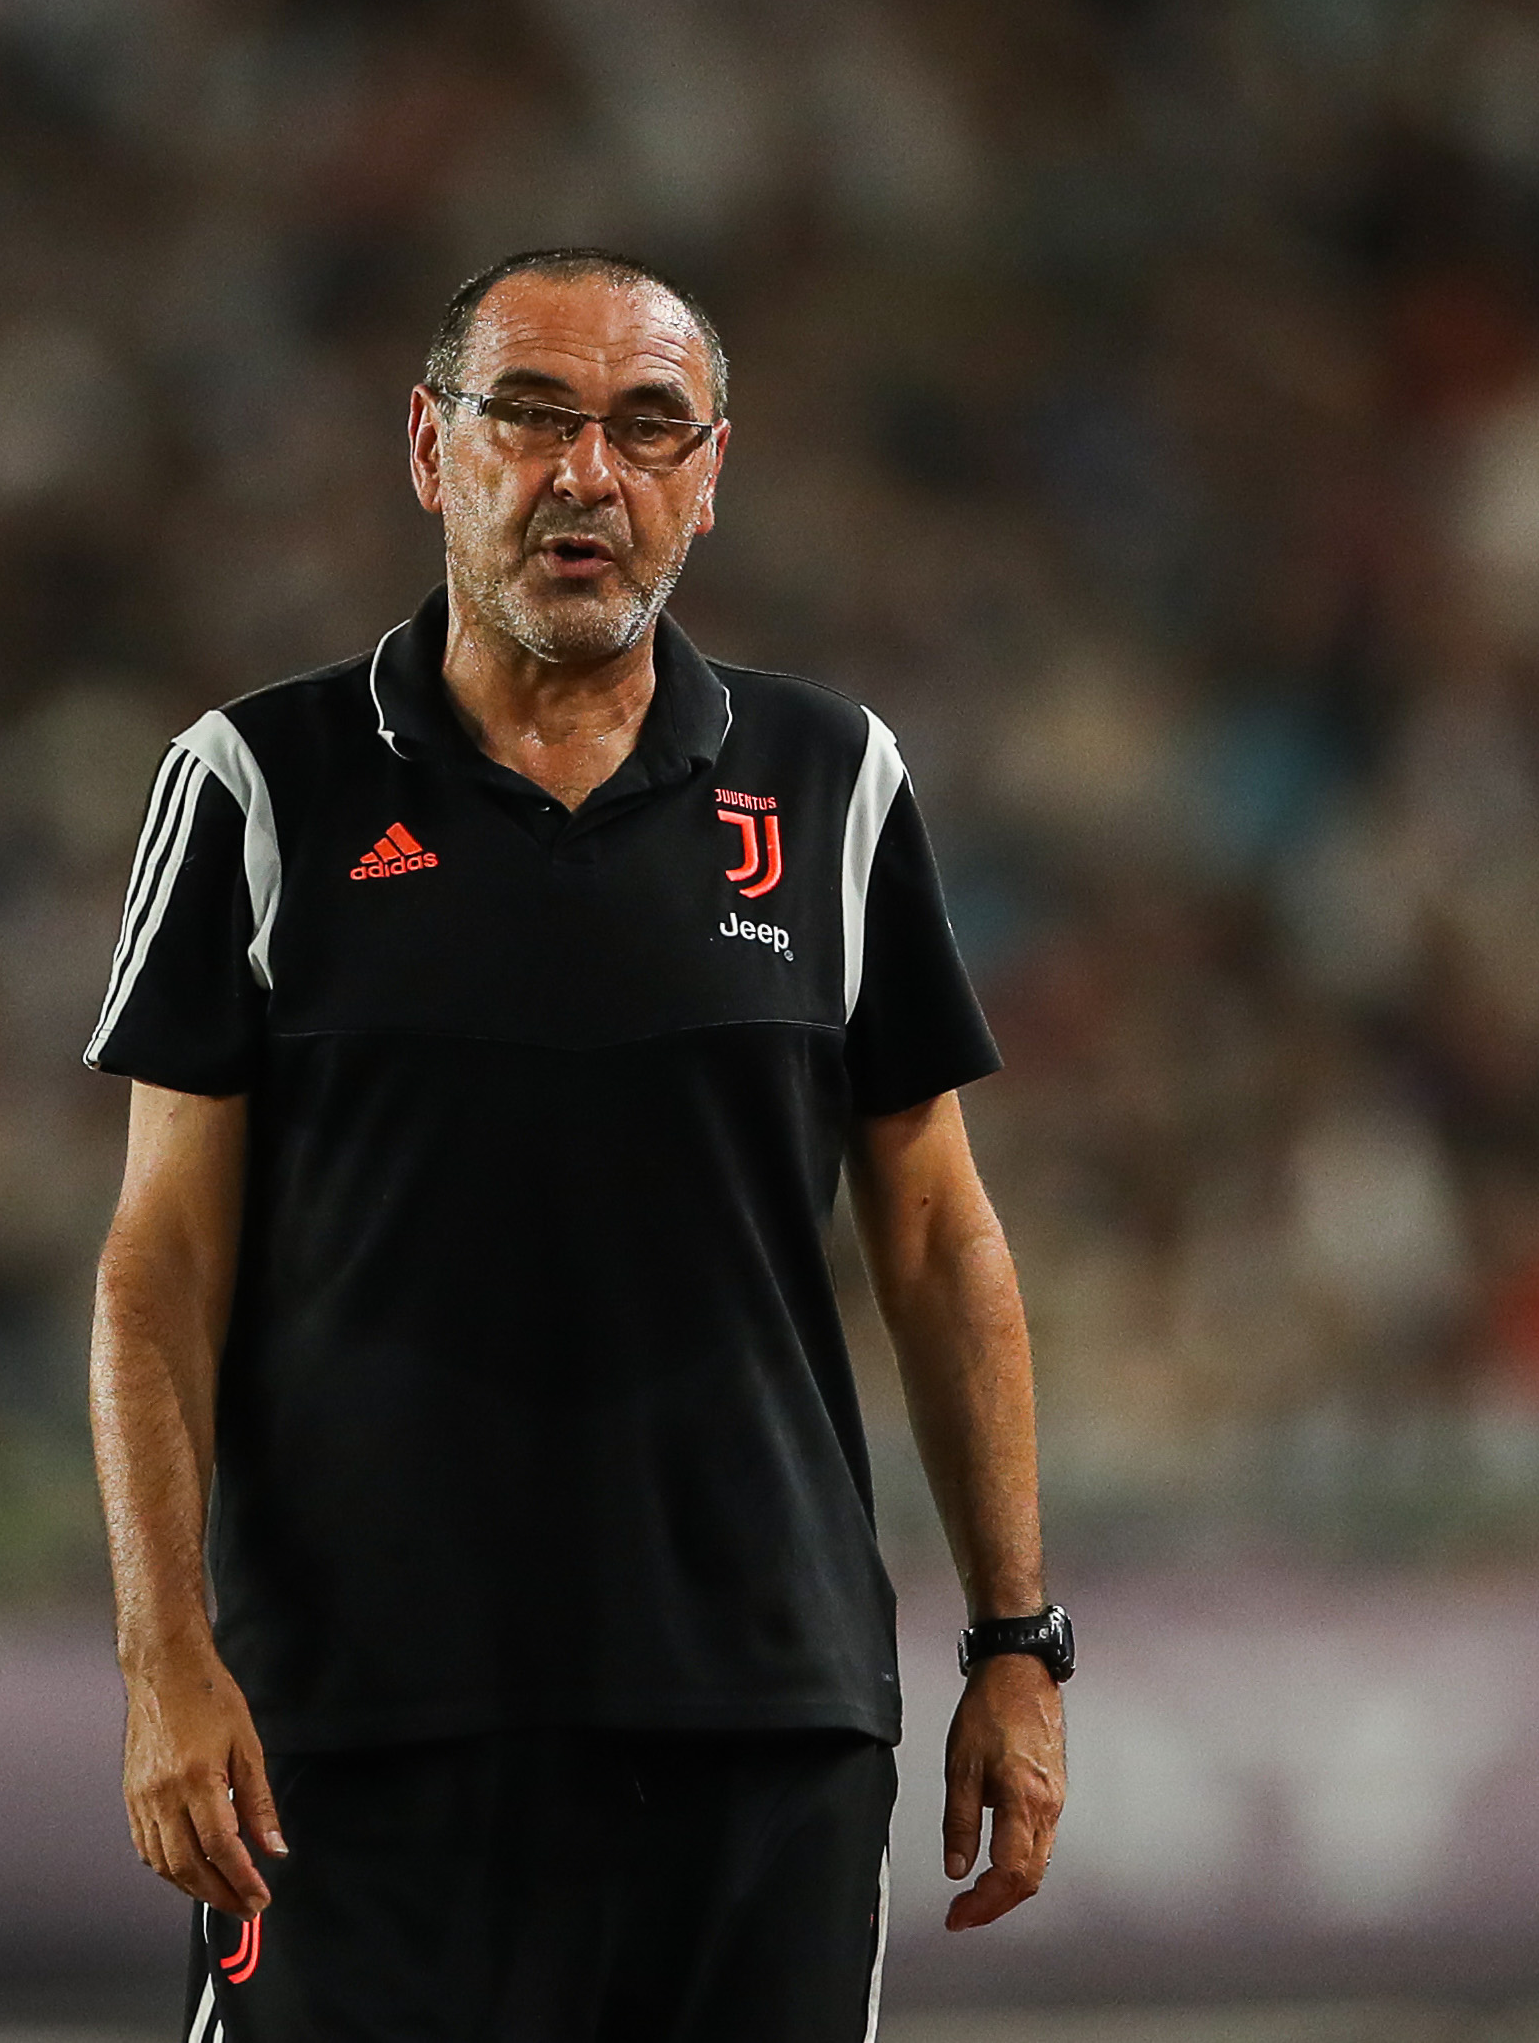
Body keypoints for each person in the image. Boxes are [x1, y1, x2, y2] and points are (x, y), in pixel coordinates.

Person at [84, 248, 1068, 2042]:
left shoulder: (834, 782)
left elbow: (940, 1237)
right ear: (429, 446)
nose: (584, 473)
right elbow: (160, 1265)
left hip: (761, 1717)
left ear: (710, 472)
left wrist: (1018, 1638)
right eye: (530, 415)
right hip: (356, 1726)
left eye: (645, 425)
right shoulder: (257, 783)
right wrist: (164, 1652)